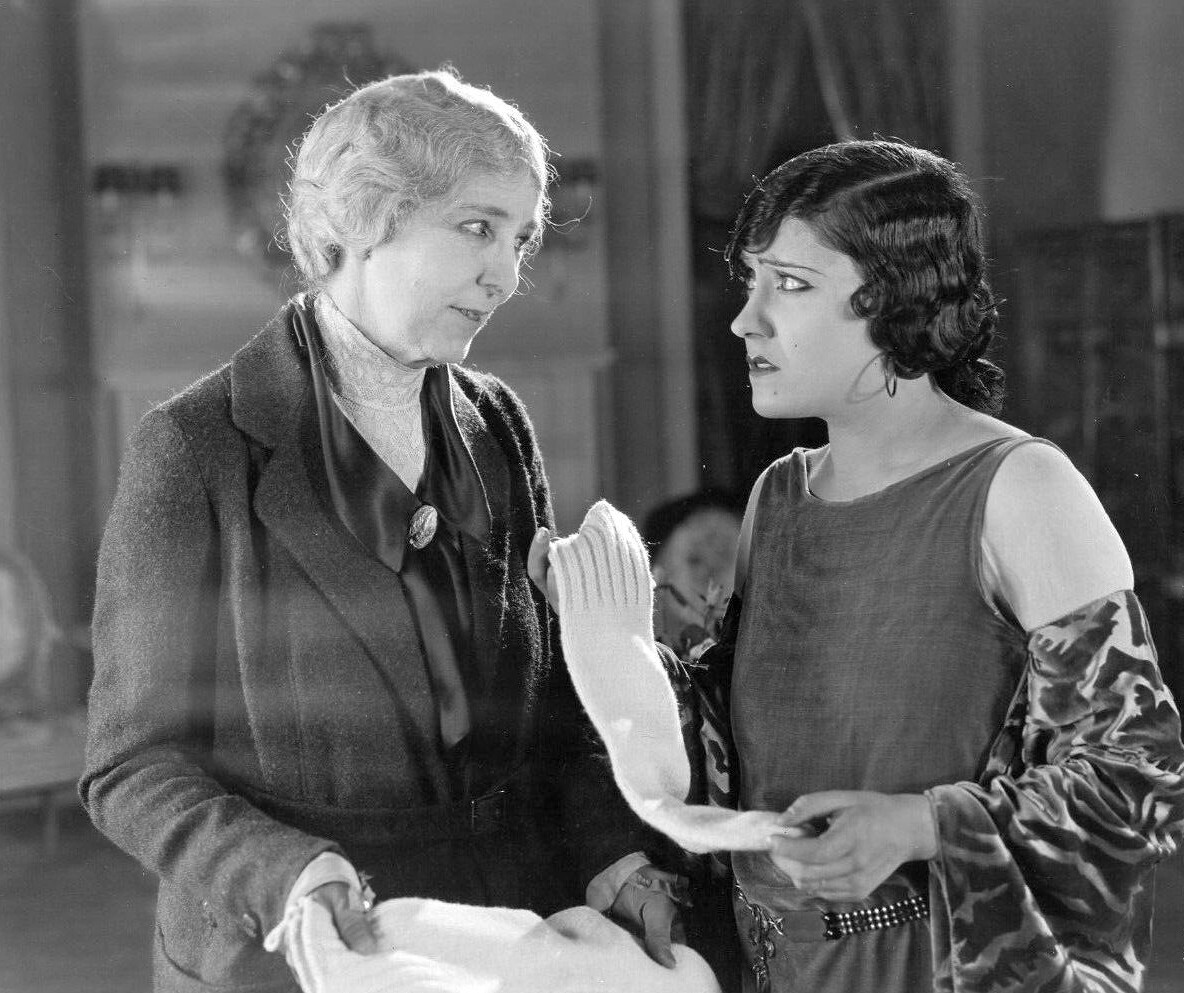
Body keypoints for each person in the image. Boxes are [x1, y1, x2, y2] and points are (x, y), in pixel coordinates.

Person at [532, 139, 1184, 993]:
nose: (746, 320)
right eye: (752, 281)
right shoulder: (778, 494)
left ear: (895, 297)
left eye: (791, 284)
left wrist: (920, 824)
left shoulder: (1022, 487)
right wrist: (604, 638)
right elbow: (742, 750)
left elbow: (1139, 776)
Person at [80, 69, 680, 993]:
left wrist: (612, 852)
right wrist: (288, 873)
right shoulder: (196, 448)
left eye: (520, 238)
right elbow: (131, 765)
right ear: (363, 221)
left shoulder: (499, 425)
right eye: (477, 228)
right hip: (297, 948)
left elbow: (551, 703)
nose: (506, 275)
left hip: (503, 930)